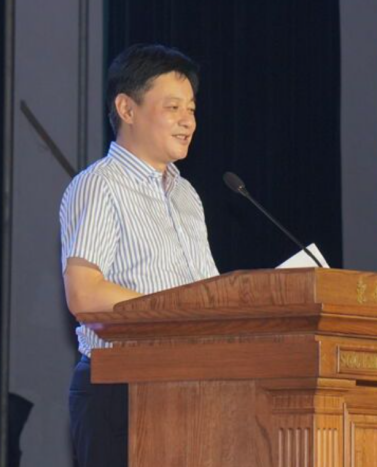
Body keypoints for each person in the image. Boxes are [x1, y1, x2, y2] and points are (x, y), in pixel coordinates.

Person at [59, 44, 218, 467]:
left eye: (191, 109)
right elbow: (85, 293)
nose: (188, 121)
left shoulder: (186, 194)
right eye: (173, 107)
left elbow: (206, 292)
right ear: (127, 109)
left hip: (192, 384)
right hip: (121, 387)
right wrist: (177, 309)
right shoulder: (100, 184)